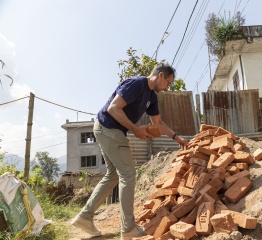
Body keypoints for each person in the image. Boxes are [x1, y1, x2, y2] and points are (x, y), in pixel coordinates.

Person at [71, 62, 188, 240]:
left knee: (113, 175)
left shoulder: (152, 97)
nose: (167, 88)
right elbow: (113, 108)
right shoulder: (136, 84)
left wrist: (176, 137)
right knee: (128, 173)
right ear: (161, 75)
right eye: (168, 83)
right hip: (108, 127)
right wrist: (135, 129)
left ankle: (85, 217)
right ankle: (128, 228)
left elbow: (158, 123)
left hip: (108, 130)